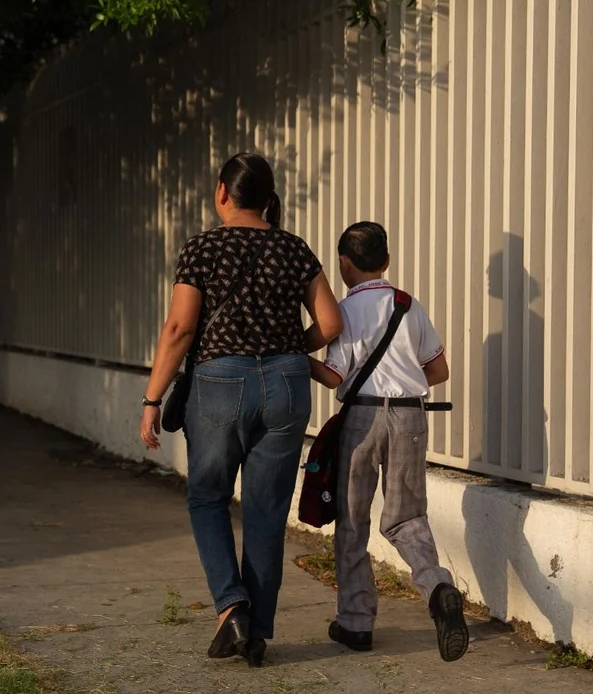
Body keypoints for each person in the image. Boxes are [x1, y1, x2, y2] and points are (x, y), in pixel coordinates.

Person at [139, 153, 343, 668]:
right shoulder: (294, 248)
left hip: (220, 383)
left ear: (222, 193)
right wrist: (288, 349)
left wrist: (152, 398)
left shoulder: (203, 247)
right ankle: (257, 632)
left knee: (208, 497)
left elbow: (180, 328)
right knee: (267, 509)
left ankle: (232, 606)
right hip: (288, 385)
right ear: (268, 198)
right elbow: (331, 323)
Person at [308, 221, 468, 662]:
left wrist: (297, 359)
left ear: (344, 264)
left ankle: (356, 622)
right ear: (387, 261)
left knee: (353, 520)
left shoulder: (344, 310)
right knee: (406, 518)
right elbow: (438, 371)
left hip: (361, 420)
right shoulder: (407, 304)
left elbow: (333, 376)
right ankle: (437, 588)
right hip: (410, 416)